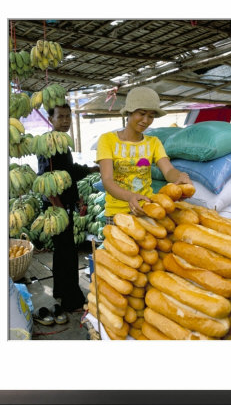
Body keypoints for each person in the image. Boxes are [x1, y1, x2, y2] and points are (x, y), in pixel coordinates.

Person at [36, 103, 99, 323]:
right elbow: (46, 177)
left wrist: (89, 171)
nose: (65, 121)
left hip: (63, 205)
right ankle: (71, 299)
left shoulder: (63, 144)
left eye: (68, 117)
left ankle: (62, 293)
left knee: (62, 252)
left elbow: (68, 172)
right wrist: (59, 207)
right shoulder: (48, 144)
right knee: (68, 253)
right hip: (56, 208)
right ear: (50, 118)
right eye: (60, 116)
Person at [96, 86, 193, 223]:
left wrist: (179, 177)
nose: (146, 120)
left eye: (151, 116)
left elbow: (168, 170)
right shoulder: (107, 140)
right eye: (141, 113)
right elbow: (107, 180)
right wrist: (130, 196)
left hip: (146, 209)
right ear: (129, 112)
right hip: (117, 213)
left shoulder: (153, 143)